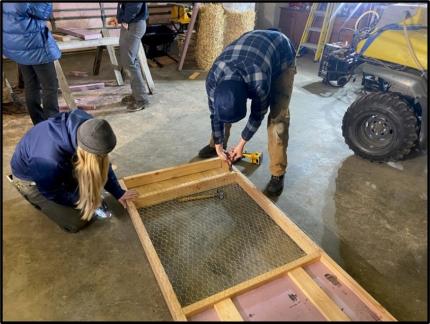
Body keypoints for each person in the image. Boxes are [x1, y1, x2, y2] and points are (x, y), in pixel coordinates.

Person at [198, 29, 297, 196]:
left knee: (277, 120)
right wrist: (218, 143)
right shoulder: (213, 79)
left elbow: (258, 114)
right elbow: (216, 114)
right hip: (252, 51)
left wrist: (241, 144)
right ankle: (216, 145)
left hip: (282, 57)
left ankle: (277, 173)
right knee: (225, 108)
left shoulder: (258, 81)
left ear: (247, 97)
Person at [10, 109, 138, 233]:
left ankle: (75, 187)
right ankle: (25, 191)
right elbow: (51, 191)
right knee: (77, 220)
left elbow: (102, 162)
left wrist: (118, 191)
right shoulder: (48, 160)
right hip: (31, 179)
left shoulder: (92, 128)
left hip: (60, 164)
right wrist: (81, 200)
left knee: (90, 195)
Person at [3, 2, 61, 125]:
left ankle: (39, 124)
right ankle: (53, 125)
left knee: (31, 85)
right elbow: (44, 12)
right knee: (49, 86)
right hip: (34, 43)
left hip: (18, 44)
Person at [115, 2, 150, 112]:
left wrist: (124, 19)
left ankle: (141, 99)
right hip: (131, 24)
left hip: (133, 24)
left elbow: (135, 5)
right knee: (131, 61)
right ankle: (137, 94)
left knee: (129, 62)